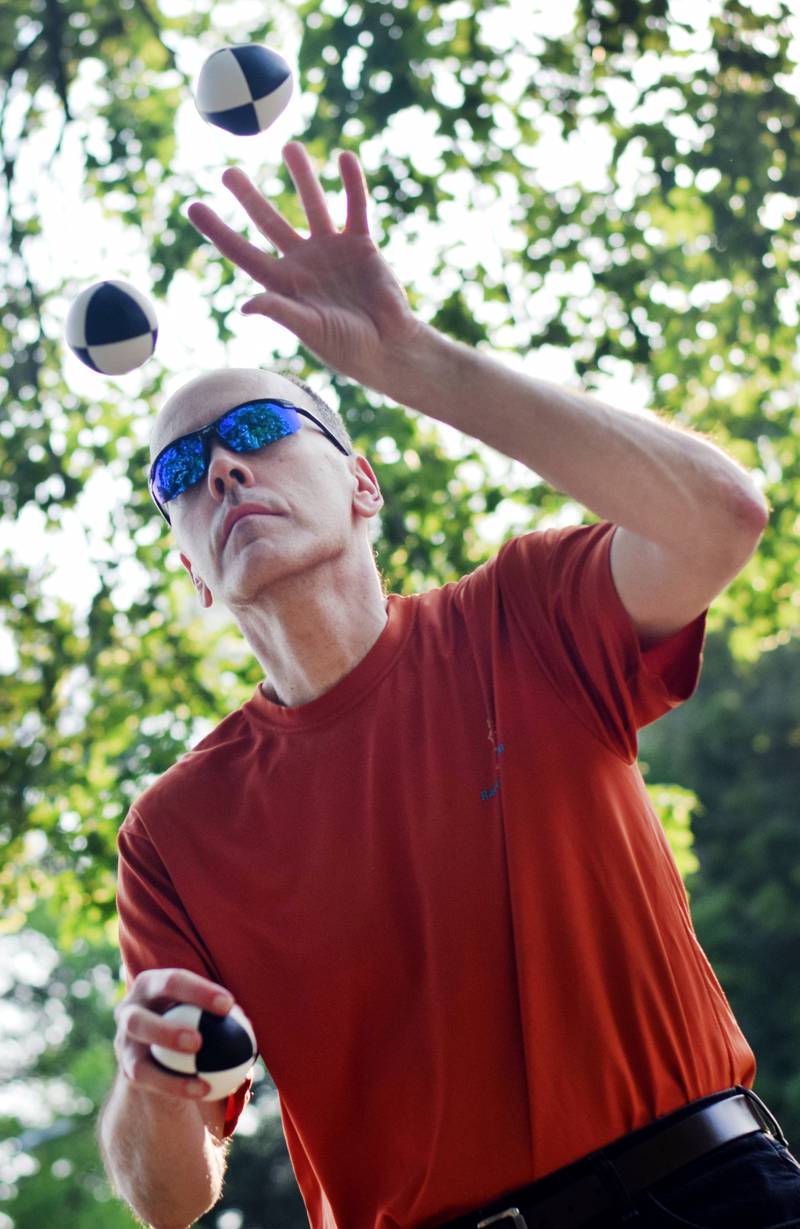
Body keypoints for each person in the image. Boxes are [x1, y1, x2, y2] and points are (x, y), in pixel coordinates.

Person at [97, 142, 800, 1229]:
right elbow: (166, 1196)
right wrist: (150, 1084)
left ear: (360, 481)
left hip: (703, 1198)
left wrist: (407, 356)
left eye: (255, 430)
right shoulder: (174, 828)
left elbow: (721, 516)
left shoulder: (524, 613)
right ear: (188, 567)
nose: (223, 469)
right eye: (178, 473)